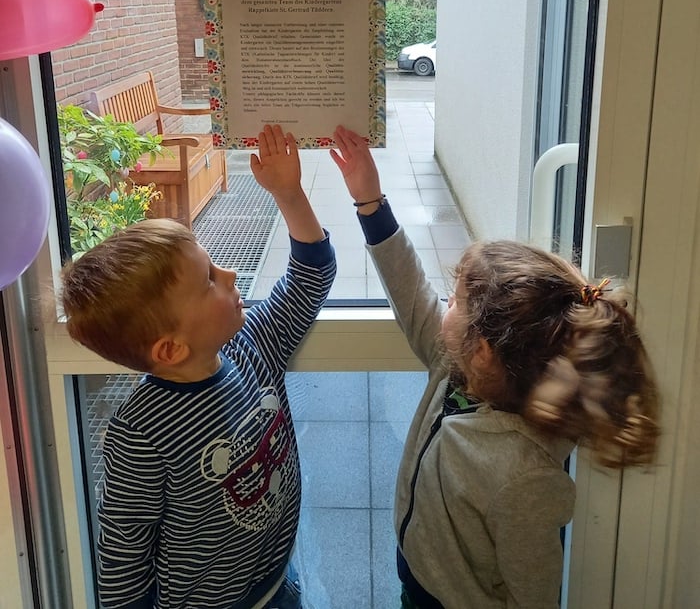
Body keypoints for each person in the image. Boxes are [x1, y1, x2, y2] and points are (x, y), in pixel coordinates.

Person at [329, 125, 659, 609]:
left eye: (454, 301)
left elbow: (534, 593)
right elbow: (410, 292)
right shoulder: (458, 368)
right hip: (415, 572)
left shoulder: (525, 477)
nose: (443, 303)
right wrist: (370, 202)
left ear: (482, 349)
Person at [61, 124, 336, 609]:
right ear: (170, 349)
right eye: (209, 280)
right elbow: (123, 561)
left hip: (277, 582)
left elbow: (311, 276)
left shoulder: (252, 347)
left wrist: (289, 194)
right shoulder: (141, 433)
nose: (231, 274)